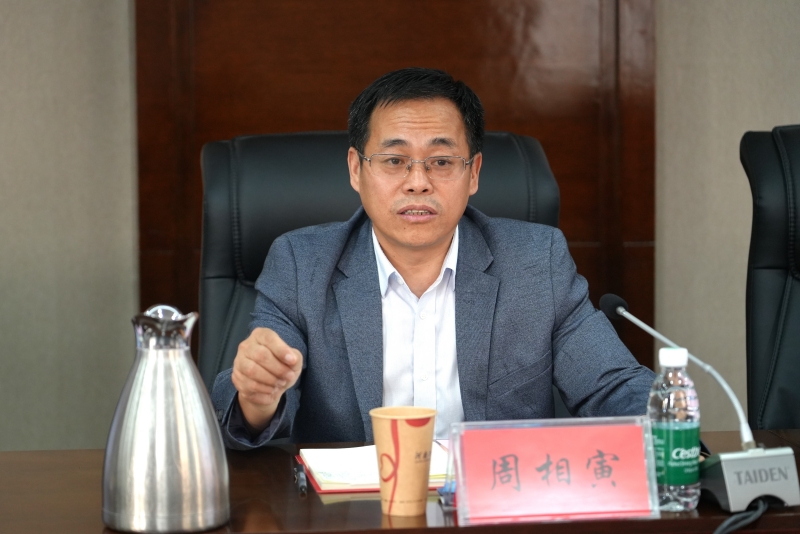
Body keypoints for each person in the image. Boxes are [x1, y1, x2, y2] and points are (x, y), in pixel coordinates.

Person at [210, 67, 655, 448]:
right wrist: (258, 397)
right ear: (356, 170)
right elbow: (247, 408)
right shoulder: (301, 265)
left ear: (473, 173)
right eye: (394, 160)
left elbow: (614, 386)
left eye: (441, 162)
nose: (418, 182)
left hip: (490, 503)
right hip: (354, 508)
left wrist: (672, 421)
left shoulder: (536, 264)